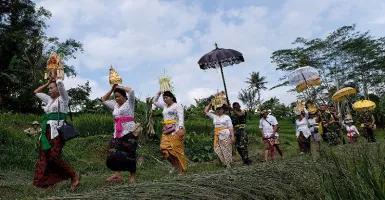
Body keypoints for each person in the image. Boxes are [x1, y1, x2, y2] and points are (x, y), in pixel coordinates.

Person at [33, 76, 80, 191]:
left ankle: (73, 174)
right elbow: (36, 92)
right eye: (48, 88)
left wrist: (56, 78)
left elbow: (61, 85)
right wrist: (48, 82)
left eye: (51, 88)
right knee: (45, 157)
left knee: (54, 157)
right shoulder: (49, 100)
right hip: (45, 132)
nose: (49, 90)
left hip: (57, 132)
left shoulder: (64, 98)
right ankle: (48, 184)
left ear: (58, 89)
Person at [102, 85, 138, 183]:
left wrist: (119, 86)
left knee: (130, 154)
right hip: (117, 133)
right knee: (113, 153)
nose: (117, 98)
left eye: (118, 96)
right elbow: (104, 100)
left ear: (124, 96)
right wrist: (112, 89)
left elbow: (132, 90)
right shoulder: (115, 105)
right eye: (115, 97)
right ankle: (117, 174)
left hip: (129, 132)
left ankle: (132, 177)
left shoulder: (129, 103)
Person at [153, 91, 187, 175]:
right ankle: (174, 165)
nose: (165, 99)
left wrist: (181, 128)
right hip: (166, 130)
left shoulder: (177, 106)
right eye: (164, 98)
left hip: (176, 129)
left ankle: (181, 170)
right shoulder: (164, 106)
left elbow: (181, 117)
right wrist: (159, 93)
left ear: (171, 97)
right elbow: (154, 101)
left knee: (177, 149)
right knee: (163, 148)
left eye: (166, 97)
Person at [204, 101, 235, 169]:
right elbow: (206, 111)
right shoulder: (214, 116)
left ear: (223, 109)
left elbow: (230, 127)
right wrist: (210, 103)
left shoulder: (226, 117)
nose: (218, 110)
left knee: (227, 149)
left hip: (226, 135)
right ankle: (224, 163)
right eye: (217, 109)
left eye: (219, 109)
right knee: (218, 150)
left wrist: (232, 137)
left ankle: (228, 164)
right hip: (217, 135)